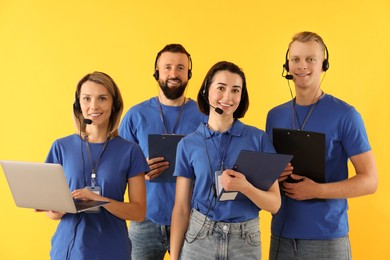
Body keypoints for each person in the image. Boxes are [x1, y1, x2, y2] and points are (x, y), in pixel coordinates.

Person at [266, 31, 378, 260]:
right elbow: (268, 172)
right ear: (286, 65)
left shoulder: (346, 115)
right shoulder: (274, 116)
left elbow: (370, 181)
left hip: (327, 241)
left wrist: (316, 190)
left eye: (310, 59)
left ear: (324, 65)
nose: (302, 66)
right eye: (295, 59)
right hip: (281, 238)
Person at [170, 61, 281, 260]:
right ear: (206, 90)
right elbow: (181, 208)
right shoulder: (188, 144)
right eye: (221, 88)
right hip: (199, 238)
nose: (228, 97)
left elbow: (274, 204)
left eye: (235, 90)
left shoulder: (258, 139)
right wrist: (174, 257)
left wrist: (245, 187)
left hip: (245, 240)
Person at [44, 71, 148, 260]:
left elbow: (138, 212)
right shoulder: (61, 147)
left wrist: (99, 200)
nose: (94, 106)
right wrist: (55, 210)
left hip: (111, 250)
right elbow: (51, 213)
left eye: (102, 98)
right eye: (86, 99)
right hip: (67, 250)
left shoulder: (130, 151)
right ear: (78, 105)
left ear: (113, 104)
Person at [119, 44, 205, 259]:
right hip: (144, 222)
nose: (173, 74)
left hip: (193, 220)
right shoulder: (135, 115)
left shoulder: (204, 116)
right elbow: (118, 169)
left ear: (189, 74)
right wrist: (140, 171)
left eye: (180, 68)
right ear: (157, 72)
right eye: (167, 67)